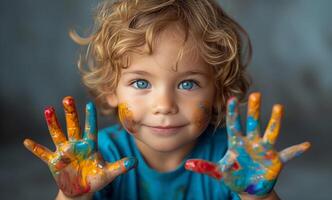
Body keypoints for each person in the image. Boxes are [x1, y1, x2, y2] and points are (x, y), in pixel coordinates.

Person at [23, 0, 311, 199]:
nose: (164, 105)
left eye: (188, 83)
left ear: (220, 93)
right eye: (141, 82)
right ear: (112, 89)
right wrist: (74, 194)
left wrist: (255, 194)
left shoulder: (232, 160)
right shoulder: (99, 156)